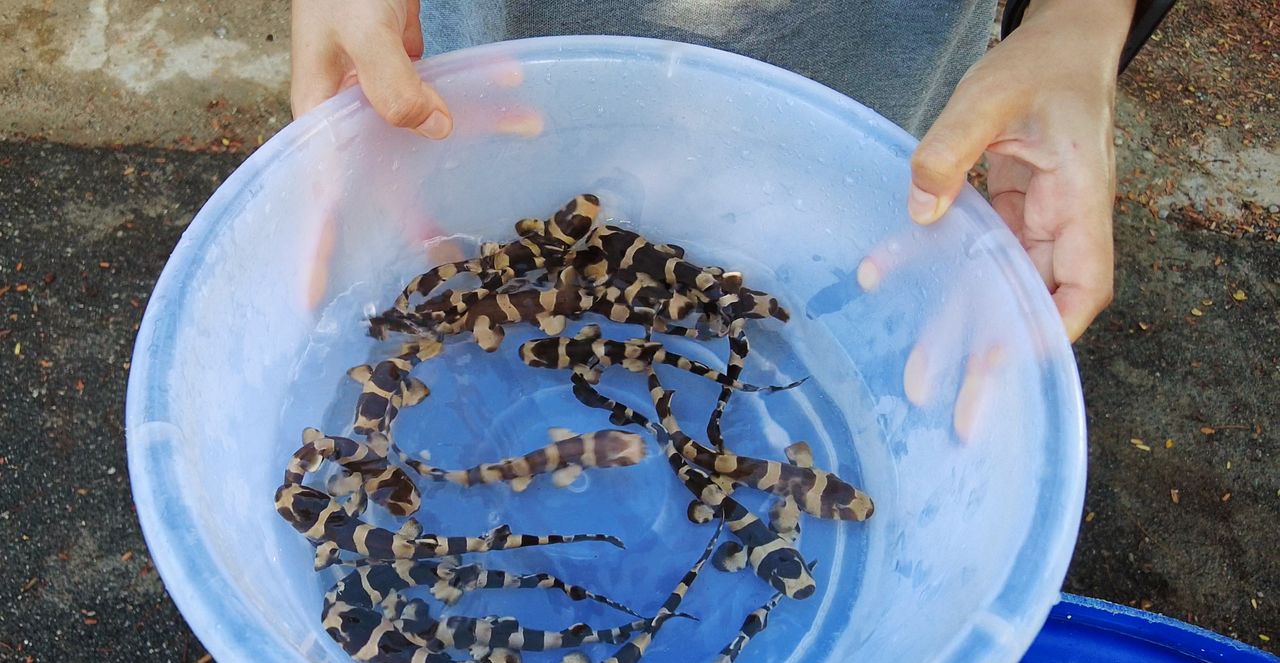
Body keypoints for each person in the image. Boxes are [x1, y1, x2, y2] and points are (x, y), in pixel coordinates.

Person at [290, 0, 1153, 342]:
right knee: (491, 261)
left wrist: (1081, 21)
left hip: (856, 101)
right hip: (500, 88)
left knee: (805, 293)